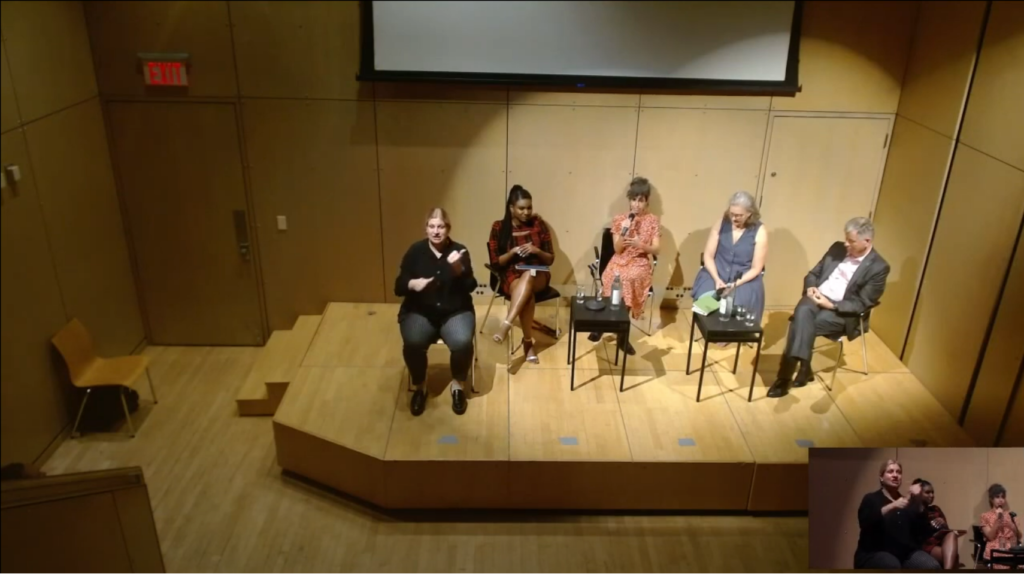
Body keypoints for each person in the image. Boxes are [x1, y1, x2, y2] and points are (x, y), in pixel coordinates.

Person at [767, 217, 890, 398]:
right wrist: (811, 287)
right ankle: (802, 369)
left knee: (799, 324)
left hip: (841, 312)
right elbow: (813, 274)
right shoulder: (837, 248)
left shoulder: (879, 267)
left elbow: (862, 303)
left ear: (867, 241)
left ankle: (785, 378)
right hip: (816, 298)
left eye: (851, 241)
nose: (846, 244)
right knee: (803, 313)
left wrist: (831, 304)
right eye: (846, 238)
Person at [395, 208, 477, 416]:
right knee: (413, 341)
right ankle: (420, 386)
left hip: (454, 311)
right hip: (421, 311)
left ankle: (457, 385)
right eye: (431, 226)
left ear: (448, 228)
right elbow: (399, 286)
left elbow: (471, 286)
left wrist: (459, 269)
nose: (436, 231)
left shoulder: (460, 251)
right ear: (426, 229)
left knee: (461, 341)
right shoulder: (415, 251)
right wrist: (413, 284)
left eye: (440, 226)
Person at [588, 176, 662, 355]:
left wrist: (641, 245)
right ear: (629, 200)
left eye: (641, 200)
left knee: (629, 279)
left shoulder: (652, 220)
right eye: (634, 199)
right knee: (613, 276)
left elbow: (657, 250)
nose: (636, 204)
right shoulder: (620, 219)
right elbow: (617, 249)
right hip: (620, 260)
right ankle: (608, 324)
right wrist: (624, 230)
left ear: (646, 202)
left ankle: (621, 335)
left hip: (640, 262)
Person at [487, 184, 556, 364]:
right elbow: (496, 262)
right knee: (527, 296)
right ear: (511, 208)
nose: (526, 212)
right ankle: (527, 343)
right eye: (521, 208)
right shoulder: (499, 227)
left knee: (529, 275)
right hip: (511, 274)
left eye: (529, 207)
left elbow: (550, 259)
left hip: (538, 274)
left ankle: (506, 325)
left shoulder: (538, 224)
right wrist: (512, 252)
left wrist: (536, 250)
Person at [690, 190, 768, 325]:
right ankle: (711, 332)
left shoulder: (760, 231)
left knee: (733, 307)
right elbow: (708, 256)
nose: (734, 219)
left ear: (750, 213)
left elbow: (756, 268)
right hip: (716, 273)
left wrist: (734, 284)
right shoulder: (721, 223)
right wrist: (716, 279)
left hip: (743, 280)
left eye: (739, 215)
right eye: (732, 214)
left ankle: (729, 335)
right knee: (706, 301)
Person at [853, 459, 940, 570]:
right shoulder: (871, 499)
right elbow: (865, 522)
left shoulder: (906, 501)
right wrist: (892, 506)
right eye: (890, 472)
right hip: (874, 552)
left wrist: (918, 500)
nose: (895, 475)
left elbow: (920, 533)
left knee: (932, 566)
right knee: (891, 564)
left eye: (898, 472)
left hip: (904, 555)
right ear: (881, 477)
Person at [913, 478, 963, 570]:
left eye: (932, 492)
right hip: (926, 544)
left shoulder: (936, 509)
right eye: (927, 492)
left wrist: (943, 523)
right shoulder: (914, 510)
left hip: (940, 542)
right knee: (954, 557)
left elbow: (946, 530)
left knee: (951, 534)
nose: (931, 495)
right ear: (919, 493)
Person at [980, 483, 1024, 569]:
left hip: (1012, 548)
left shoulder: (1010, 515)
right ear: (991, 499)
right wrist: (997, 521)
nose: (1001, 500)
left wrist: (1012, 526)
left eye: (1003, 497)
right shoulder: (985, 516)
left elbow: (1019, 536)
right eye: (997, 497)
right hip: (995, 547)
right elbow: (990, 537)